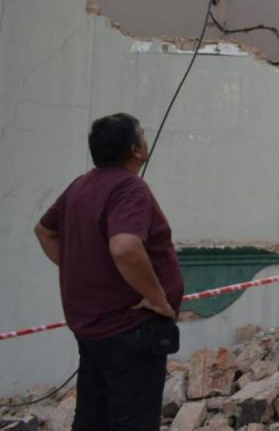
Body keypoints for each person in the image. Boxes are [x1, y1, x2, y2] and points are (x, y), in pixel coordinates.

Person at [34, 113, 183, 430]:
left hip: (91, 328)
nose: (146, 140)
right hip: (130, 329)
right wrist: (157, 298)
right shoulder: (130, 188)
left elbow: (44, 231)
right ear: (135, 149)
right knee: (132, 421)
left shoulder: (81, 185)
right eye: (142, 135)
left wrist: (85, 270)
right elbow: (124, 246)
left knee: (93, 418)